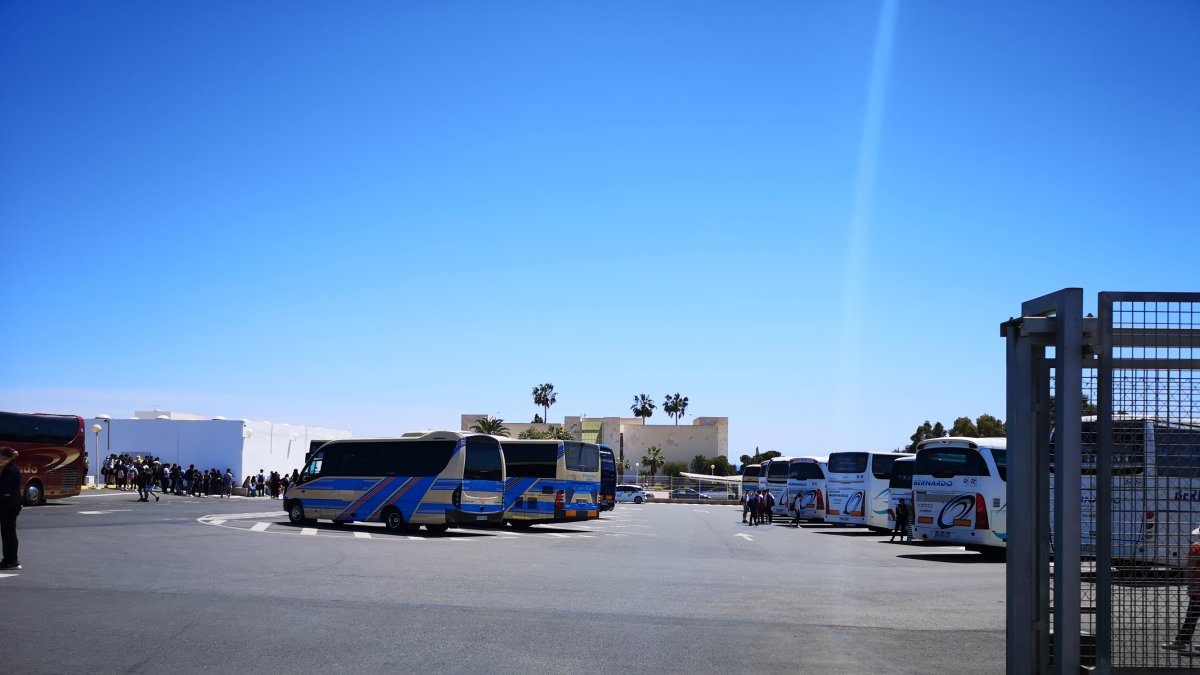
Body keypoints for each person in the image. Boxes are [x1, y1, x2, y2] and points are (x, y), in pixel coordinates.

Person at [1164, 527, 1200, 651]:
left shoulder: (1197, 547)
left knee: (1191, 615)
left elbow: (1190, 567)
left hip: (1198, 588)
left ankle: (1181, 641)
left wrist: (1186, 579)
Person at [0, 447, 23, 570]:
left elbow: (3, 487)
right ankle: (9, 559)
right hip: (9, 505)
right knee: (8, 532)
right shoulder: (9, 468)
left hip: (9, 505)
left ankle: (11, 560)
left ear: (5, 457)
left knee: (8, 533)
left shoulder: (11, 470)